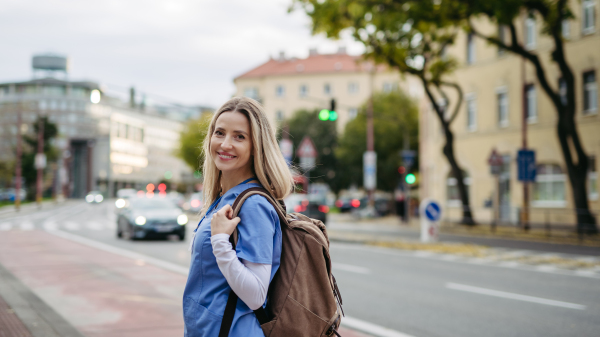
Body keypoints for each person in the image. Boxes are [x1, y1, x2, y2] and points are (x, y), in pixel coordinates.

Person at [183, 97, 293, 337]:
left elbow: (256, 294)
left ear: (257, 146)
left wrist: (221, 242)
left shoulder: (253, 205)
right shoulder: (225, 198)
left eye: (239, 136)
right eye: (220, 133)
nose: (225, 144)